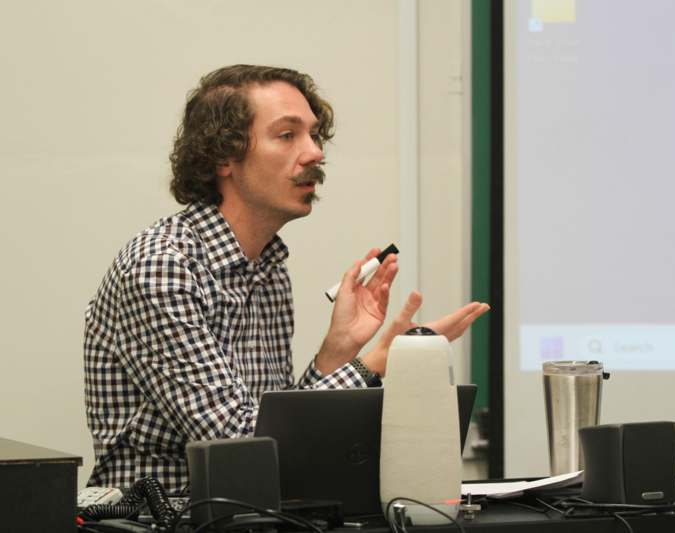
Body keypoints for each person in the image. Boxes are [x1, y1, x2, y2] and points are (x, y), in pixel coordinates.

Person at [83, 65, 489, 492]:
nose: (314, 152)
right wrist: (378, 360)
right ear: (223, 156)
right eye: (287, 135)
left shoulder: (268, 267)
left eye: (314, 135)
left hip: (252, 512)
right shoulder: (162, 267)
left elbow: (278, 431)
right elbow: (238, 443)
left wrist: (338, 351)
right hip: (164, 517)